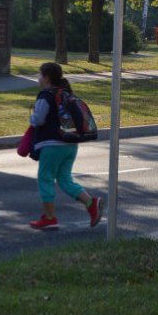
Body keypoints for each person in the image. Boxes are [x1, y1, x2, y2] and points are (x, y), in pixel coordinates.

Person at [28, 62, 104, 230]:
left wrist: (30, 120)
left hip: (51, 144)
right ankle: (91, 203)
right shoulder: (65, 93)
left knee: (45, 178)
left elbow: (39, 119)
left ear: (46, 78)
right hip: (70, 143)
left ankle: (49, 217)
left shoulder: (45, 95)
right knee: (64, 179)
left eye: (40, 75)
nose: (38, 78)